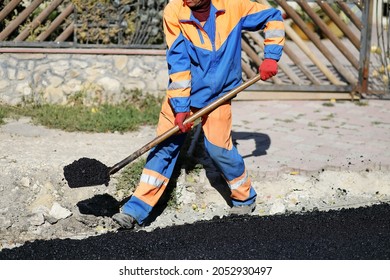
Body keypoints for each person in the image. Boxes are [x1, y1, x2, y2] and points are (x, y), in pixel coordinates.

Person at [113, 0, 285, 229]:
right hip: (184, 93)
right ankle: (135, 210)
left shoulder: (233, 5)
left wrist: (271, 56)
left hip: (220, 94)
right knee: (164, 147)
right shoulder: (175, 11)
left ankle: (244, 197)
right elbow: (178, 62)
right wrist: (182, 108)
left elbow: (273, 16)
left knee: (218, 149)